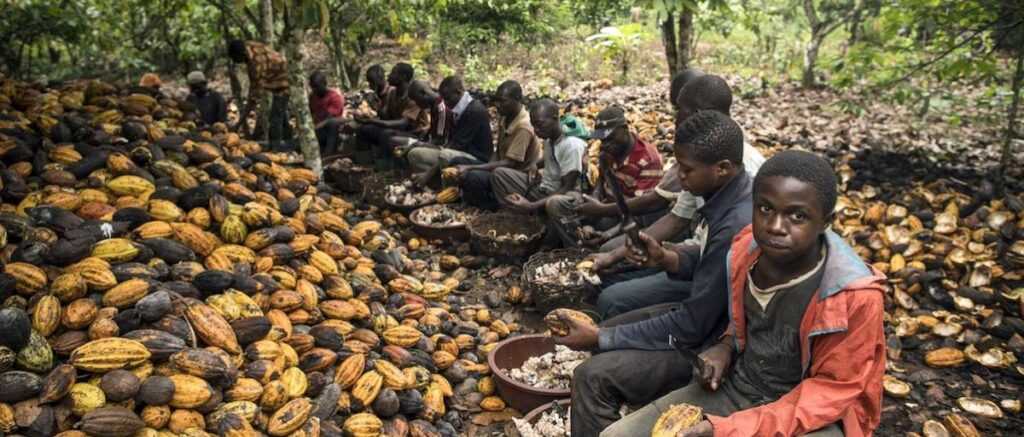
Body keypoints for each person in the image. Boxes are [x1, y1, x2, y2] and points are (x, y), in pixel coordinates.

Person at [600, 150, 885, 437]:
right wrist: (725, 347)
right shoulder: (744, 251)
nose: (775, 227)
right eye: (765, 209)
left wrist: (729, 429)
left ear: (825, 221)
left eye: (797, 216)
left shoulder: (853, 296)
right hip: (741, 387)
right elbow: (743, 322)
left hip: (810, 415)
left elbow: (832, 391)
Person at [553, 110, 754, 437]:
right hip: (706, 322)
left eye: (686, 170)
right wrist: (667, 258)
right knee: (608, 326)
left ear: (722, 169)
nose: (680, 177)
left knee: (592, 374)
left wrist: (601, 338)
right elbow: (707, 262)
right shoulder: (726, 197)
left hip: (715, 346)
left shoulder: (735, 223)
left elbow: (691, 325)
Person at [592, 73, 767, 319]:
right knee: (610, 271)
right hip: (694, 255)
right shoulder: (700, 155)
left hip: (711, 276)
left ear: (697, 112)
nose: (675, 118)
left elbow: (717, 273)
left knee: (613, 298)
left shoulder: (733, 169)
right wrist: (614, 256)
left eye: (678, 110)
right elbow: (677, 218)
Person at [545, 105, 663, 247]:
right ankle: (578, 249)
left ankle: (596, 248)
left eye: (610, 138)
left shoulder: (648, 160)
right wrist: (594, 198)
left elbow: (641, 212)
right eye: (602, 140)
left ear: (625, 129)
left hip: (629, 217)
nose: (605, 145)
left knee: (608, 245)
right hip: (604, 208)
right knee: (556, 203)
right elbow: (601, 183)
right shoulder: (606, 152)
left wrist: (607, 233)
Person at [454, 80, 541, 209]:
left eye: (503, 101)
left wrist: (472, 168)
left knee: (472, 177)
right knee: (456, 163)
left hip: (514, 175)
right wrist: (481, 168)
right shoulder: (505, 117)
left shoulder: (524, 126)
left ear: (517, 99)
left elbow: (510, 163)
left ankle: (490, 208)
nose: (497, 105)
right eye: (496, 100)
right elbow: (497, 152)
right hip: (500, 167)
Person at [495, 98, 587, 214]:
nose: (536, 130)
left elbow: (567, 187)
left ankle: (537, 216)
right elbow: (552, 157)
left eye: (540, 124)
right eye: (534, 126)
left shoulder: (571, 145)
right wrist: (535, 165)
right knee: (500, 174)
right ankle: (513, 215)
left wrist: (531, 205)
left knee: (554, 202)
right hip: (545, 188)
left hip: (565, 196)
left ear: (555, 118)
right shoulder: (549, 139)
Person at [406, 76, 493, 185]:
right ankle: (434, 185)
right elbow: (451, 144)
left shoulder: (474, 110)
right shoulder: (457, 108)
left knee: (446, 154)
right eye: (444, 99)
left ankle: (446, 189)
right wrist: (426, 145)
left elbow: (455, 146)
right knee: (415, 154)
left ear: (458, 92)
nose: (445, 103)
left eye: (447, 99)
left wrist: (428, 173)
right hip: (457, 153)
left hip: (476, 159)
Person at [354, 62, 429, 170]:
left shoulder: (413, 96)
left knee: (386, 134)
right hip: (398, 130)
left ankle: (384, 168)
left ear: (403, 77)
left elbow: (402, 124)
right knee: (363, 130)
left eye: (393, 73)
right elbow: (385, 117)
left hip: (415, 134)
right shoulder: (393, 93)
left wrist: (371, 121)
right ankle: (363, 165)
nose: (388, 76)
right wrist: (374, 106)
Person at [228, 39, 292, 151]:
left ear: (241, 54)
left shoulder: (256, 65)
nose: (239, 62)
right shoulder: (248, 45)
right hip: (276, 75)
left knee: (275, 116)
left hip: (284, 80)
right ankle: (290, 143)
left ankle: (275, 148)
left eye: (237, 60)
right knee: (282, 116)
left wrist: (238, 125)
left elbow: (253, 98)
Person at [308, 71, 346, 157]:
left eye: (317, 87)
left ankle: (329, 153)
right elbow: (310, 113)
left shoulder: (334, 97)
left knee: (332, 123)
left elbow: (329, 119)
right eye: (313, 87)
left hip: (332, 132)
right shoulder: (312, 96)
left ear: (324, 83)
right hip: (318, 131)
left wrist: (315, 127)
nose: (315, 90)